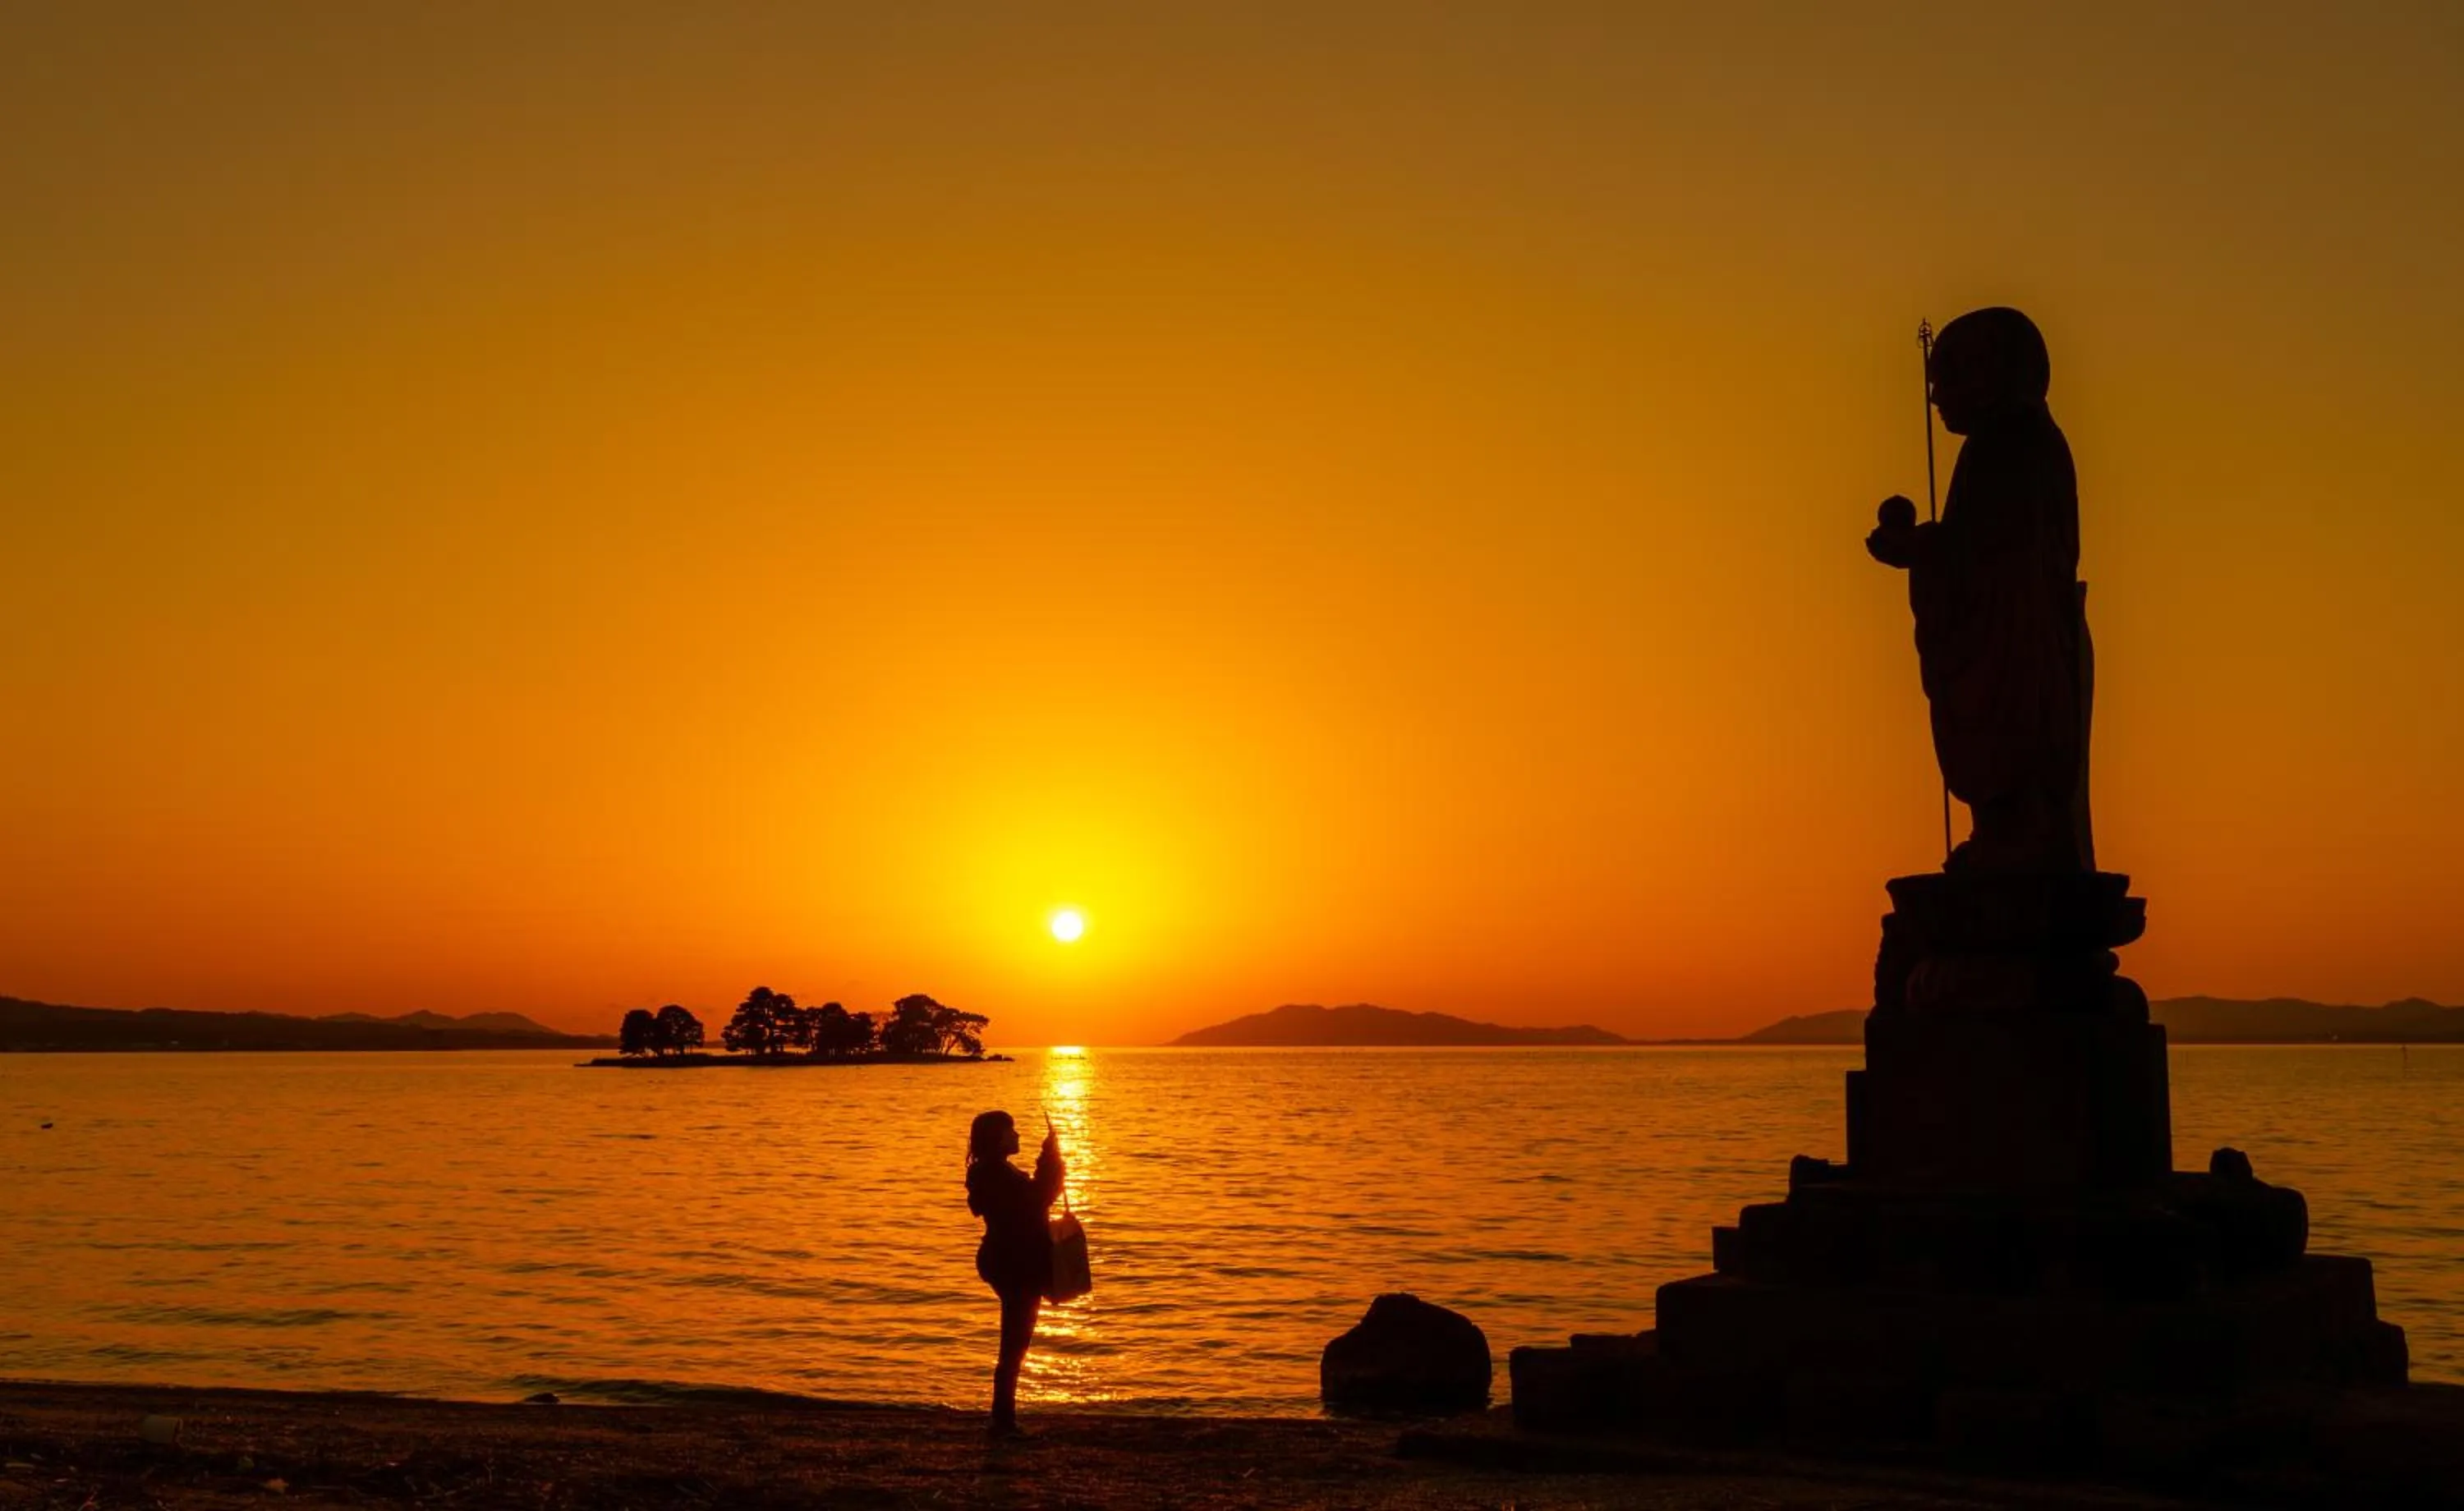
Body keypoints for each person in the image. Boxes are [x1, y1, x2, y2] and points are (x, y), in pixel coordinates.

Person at [1865, 305, 2095, 874]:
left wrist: (1920, 549)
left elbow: (1998, 551)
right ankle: (2006, 827)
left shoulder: (2015, 445)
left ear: (1989, 374)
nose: (1937, 398)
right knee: (2003, 739)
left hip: (2018, 639)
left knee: (2015, 734)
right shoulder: (2004, 444)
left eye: (1947, 379)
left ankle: (2023, 829)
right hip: (2004, 632)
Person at [964, 1109, 1063, 1438]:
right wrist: (1050, 1158)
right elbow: (1039, 1198)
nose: (1017, 1136)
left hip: (1010, 1260)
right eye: (1011, 1131)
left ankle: (1003, 1416)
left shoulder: (996, 1170)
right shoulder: (991, 1173)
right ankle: (1002, 1419)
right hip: (1011, 1262)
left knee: (1016, 1339)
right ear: (996, 1138)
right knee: (1015, 1341)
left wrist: (1049, 1158)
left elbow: (1036, 1197)